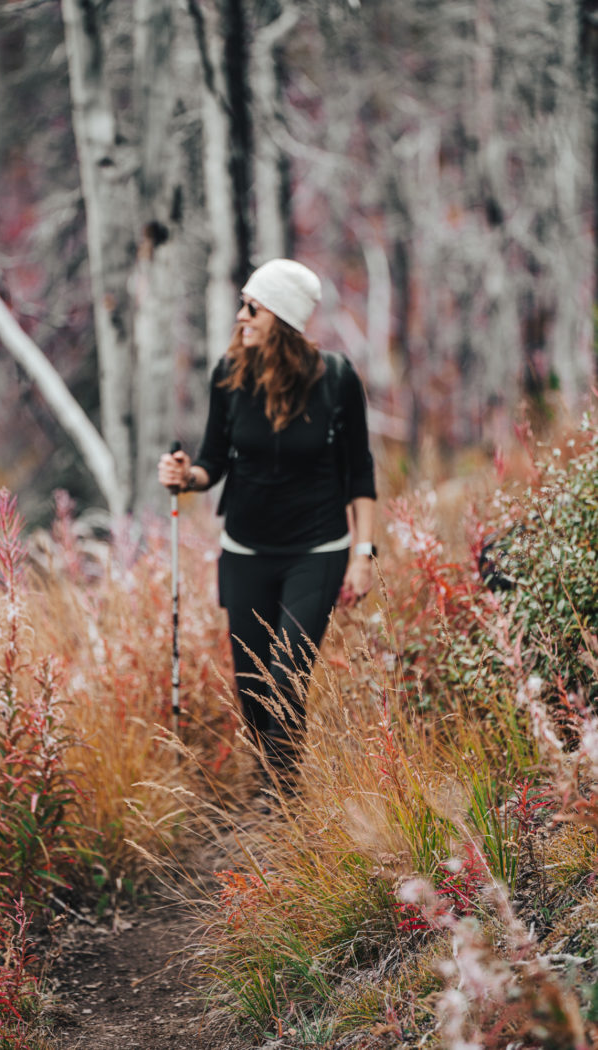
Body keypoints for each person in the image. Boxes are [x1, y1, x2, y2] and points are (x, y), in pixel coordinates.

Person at [158, 258, 376, 782]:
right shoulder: (229, 376)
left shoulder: (336, 380)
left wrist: (363, 555)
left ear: (279, 315)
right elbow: (214, 461)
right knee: (254, 692)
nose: (241, 317)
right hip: (245, 554)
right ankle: (274, 789)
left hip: (317, 552)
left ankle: (286, 808)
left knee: (285, 678)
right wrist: (185, 477)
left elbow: (360, 474)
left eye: (251, 307)